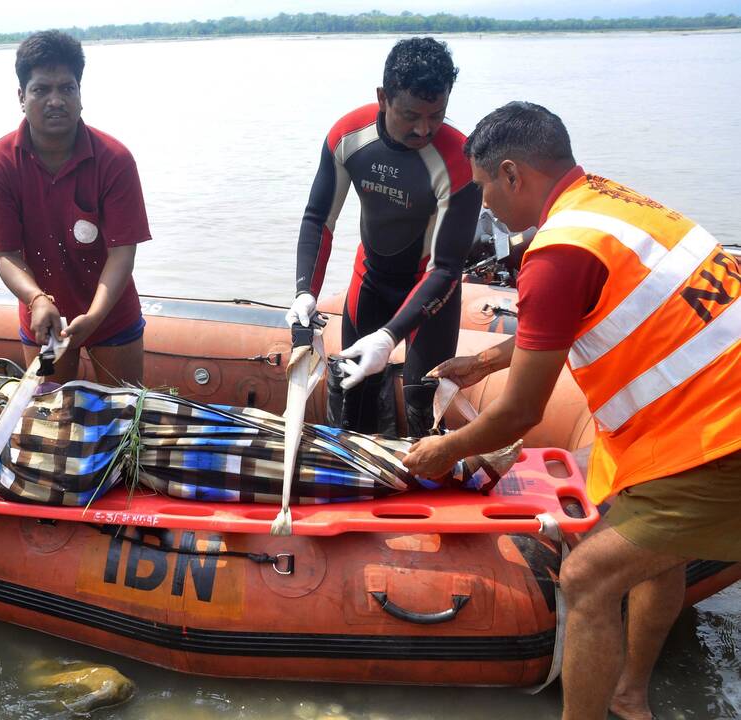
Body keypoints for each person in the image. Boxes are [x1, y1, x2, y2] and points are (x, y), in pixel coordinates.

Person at [402, 101, 741, 720]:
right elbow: (558, 325)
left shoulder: (557, 252)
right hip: (694, 410)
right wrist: (481, 364)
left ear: (512, 175)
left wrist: (442, 450)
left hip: (721, 433)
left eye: (484, 190)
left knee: (587, 579)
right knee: (645, 546)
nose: (487, 210)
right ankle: (629, 694)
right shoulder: (609, 202)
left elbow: (519, 416)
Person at [287, 36, 481, 436]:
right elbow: (318, 219)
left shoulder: (458, 158)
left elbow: (447, 268)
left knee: (421, 404)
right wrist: (305, 290)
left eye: (437, 114)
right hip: (371, 282)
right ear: (383, 97)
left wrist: (390, 336)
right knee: (353, 404)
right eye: (410, 115)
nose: (424, 128)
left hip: (432, 294)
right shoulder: (349, 136)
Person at [0, 30, 151, 386]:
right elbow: (5, 254)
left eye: (67, 88)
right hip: (44, 320)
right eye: (42, 90)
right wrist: (36, 299)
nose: (56, 100)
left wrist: (96, 315)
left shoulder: (114, 159)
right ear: (22, 97)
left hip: (111, 313)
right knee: (50, 415)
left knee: (125, 416)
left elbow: (121, 254)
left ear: (81, 95)